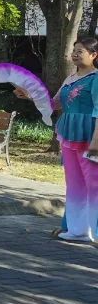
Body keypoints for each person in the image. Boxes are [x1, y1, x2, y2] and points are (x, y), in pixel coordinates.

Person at [48, 37, 98, 243]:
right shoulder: (70, 77)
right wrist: (29, 95)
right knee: (75, 183)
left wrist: (96, 142)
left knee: (94, 184)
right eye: (75, 50)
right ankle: (76, 230)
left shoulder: (95, 79)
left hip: (90, 135)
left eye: (81, 51)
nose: (76, 54)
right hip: (69, 134)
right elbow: (55, 104)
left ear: (94, 55)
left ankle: (95, 231)